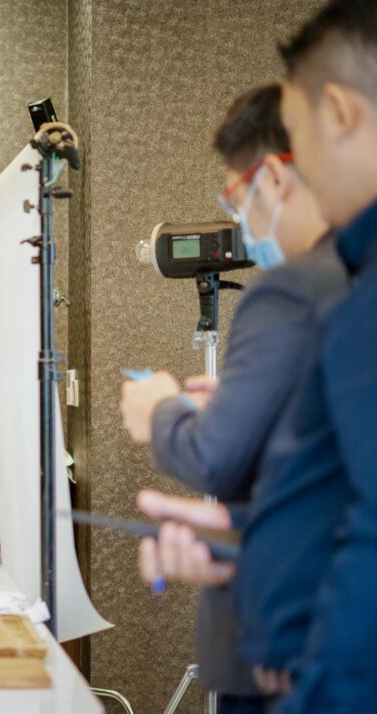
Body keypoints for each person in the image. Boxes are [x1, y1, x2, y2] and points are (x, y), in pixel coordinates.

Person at [138, 2, 377, 711]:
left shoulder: (318, 289)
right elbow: (335, 488)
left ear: (336, 112)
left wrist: (300, 661)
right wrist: (243, 535)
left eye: (300, 140)